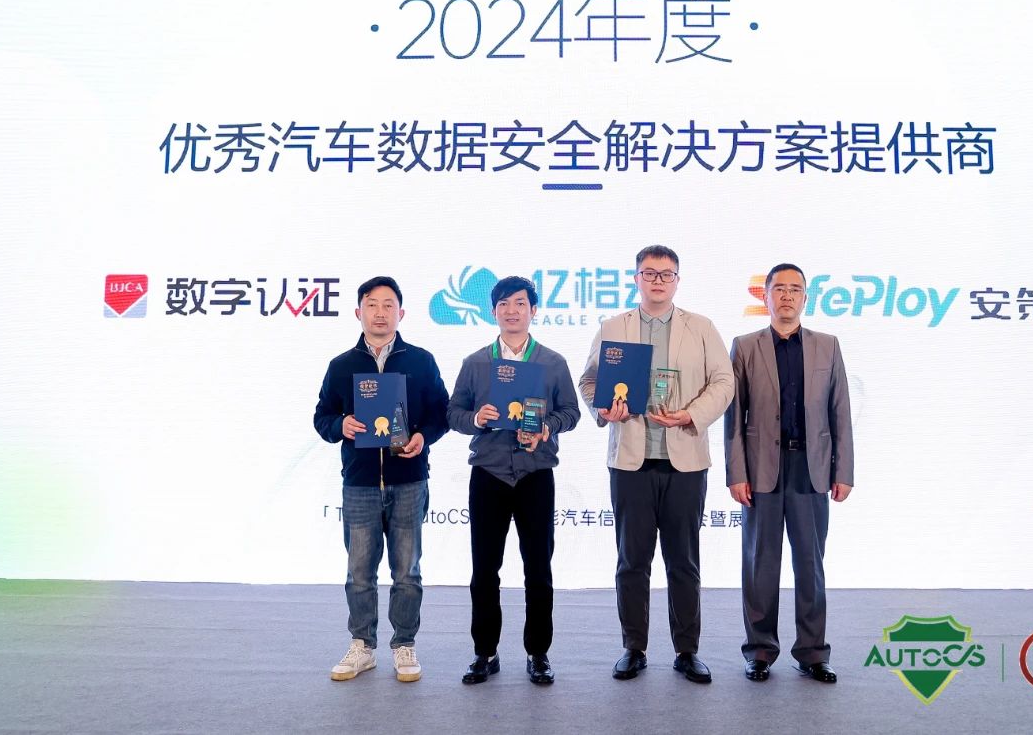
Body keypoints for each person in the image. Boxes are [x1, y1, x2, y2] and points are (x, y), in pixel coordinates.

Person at [578, 245, 734, 684]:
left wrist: (692, 415)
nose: (658, 281)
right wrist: (602, 408)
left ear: (677, 280)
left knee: (683, 561)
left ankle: (687, 651)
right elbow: (589, 380)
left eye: (667, 274)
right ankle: (634, 647)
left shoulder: (701, 327)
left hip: (685, 460)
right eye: (650, 273)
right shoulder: (614, 327)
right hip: (631, 461)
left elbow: (724, 381)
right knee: (632, 560)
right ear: (636, 279)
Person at [313, 277, 450, 683]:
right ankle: (362, 646)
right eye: (372, 304)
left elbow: (441, 413)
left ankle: (404, 645)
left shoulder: (420, 361)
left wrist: (423, 436)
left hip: (408, 480)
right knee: (359, 572)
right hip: (359, 483)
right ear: (359, 312)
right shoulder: (341, 365)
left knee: (407, 571)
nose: (380, 312)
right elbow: (322, 418)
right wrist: (341, 425)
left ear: (400, 313)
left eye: (388, 305)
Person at [447, 276, 582, 686]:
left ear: (533, 310)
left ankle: (538, 653)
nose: (512, 311)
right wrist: (476, 419)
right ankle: (484, 653)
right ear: (493, 311)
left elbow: (571, 412)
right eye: (504, 304)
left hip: (535, 473)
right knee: (485, 569)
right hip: (488, 474)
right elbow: (453, 413)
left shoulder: (552, 362)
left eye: (520, 303)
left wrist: (548, 427)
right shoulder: (475, 363)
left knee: (538, 568)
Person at [724, 263, 854, 684]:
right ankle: (760, 651)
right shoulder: (745, 346)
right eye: (778, 288)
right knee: (760, 564)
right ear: (765, 297)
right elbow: (734, 416)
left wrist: (843, 469)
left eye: (795, 289)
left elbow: (840, 412)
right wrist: (736, 472)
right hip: (761, 470)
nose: (786, 296)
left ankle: (812, 652)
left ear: (805, 298)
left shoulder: (827, 346)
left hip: (811, 469)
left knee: (810, 565)